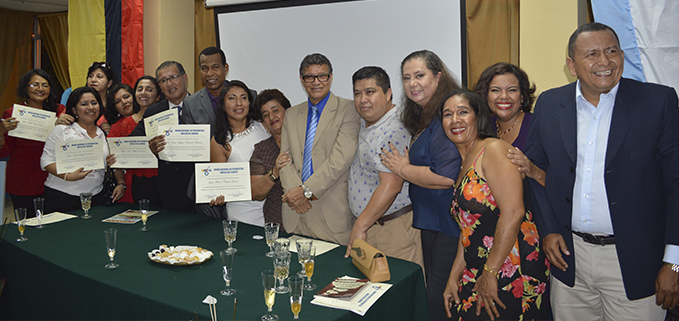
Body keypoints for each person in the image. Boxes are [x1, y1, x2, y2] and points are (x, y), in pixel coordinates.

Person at [524, 22, 679, 320]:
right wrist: (549, 229)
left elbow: (676, 183)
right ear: (571, 65)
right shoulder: (550, 103)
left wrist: (674, 262)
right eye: (592, 54)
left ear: (622, 55)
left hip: (636, 262)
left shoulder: (657, 102)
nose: (604, 62)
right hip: (570, 261)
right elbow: (534, 171)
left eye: (611, 51)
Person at [440, 89, 549, 320]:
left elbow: (514, 213)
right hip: (479, 271)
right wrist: (454, 276)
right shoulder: (463, 164)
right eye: (448, 114)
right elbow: (469, 229)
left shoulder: (494, 150)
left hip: (511, 270)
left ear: (477, 116)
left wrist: (490, 273)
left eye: (463, 112)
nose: (455, 120)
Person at [380, 50, 461, 321]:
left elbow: (446, 177)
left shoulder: (445, 115)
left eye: (420, 75)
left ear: (438, 77)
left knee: (439, 300)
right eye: (406, 77)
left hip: (449, 225)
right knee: (435, 297)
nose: (413, 83)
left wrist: (403, 168)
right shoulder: (426, 116)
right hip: (431, 223)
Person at [344, 66, 423, 269]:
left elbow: (392, 185)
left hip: (393, 229)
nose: (363, 100)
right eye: (357, 93)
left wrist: (360, 225)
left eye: (370, 92)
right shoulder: (370, 121)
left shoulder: (394, 128)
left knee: (397, 294)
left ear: (388, 94)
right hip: (374, 226)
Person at [279, 53, 360, 245]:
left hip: (331, 214)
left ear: (330, 77)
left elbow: (340, 160)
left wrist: (305, 191)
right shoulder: (291, 114)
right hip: (296, 212)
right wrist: (295, 194)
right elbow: (284, 159)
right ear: (302, 79)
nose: (316, 82)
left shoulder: (348, 109)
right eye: (309, 77)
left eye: (322, 76)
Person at [40, 87, 125, 214]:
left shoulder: (102, 134)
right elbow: (46, 162)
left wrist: (119, 180)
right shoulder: (62, 130)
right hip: (62, 197)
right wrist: (68, 176)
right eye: (84, 104)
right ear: (74, 109)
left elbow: (109, 163)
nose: (90, 107)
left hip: (96, 197)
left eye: (94, 103)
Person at [129, 61, 194, 213]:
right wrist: (148, 146)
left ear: (185, 78)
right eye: (163, 80)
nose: (169, 83)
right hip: (170, 190)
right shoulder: (153, 111)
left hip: (200, 185)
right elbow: (134, 140)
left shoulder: (202, 104)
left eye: (173, 77)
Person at [0, 69, 66, 216]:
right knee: (28, 226)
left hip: (53, 178)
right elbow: (3, 152)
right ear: (25, 88)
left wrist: (63, 124)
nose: (40, 89)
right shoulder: (12, 114)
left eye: (45, 85)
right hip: (23, 181)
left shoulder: (59, 111)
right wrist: (1, 132)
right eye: (34, 85)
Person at [209, 80, 269, 224]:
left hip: (273, 206)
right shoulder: (219, 142)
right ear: (223, 105)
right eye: (232, 98)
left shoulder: (264, 126)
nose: (239, 104)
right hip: (244, 212)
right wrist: (217, 195)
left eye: (243, 97)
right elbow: (219, 185)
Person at [248, 89, 292, 231]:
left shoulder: (306, 141)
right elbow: (255, 193)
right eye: (266, 115)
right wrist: (275, 172)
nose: (272, 117)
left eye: (275, 110)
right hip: (277, 221)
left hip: (309, 217)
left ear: (288, 112)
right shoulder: (261, 149)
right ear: (264, 123)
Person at [182, 46, 228, 136]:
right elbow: (188, 140)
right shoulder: (190, 104)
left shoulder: (248, 96)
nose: (209, 73)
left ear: (225, 69)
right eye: (204, 68)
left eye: (215, 67)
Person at [58, 62, 117, 133]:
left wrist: (112, 130)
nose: (93, 80)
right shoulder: (76, 98)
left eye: (99, 77)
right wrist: (59, 121)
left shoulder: (115, 103)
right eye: (90, 76)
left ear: (109, 83)